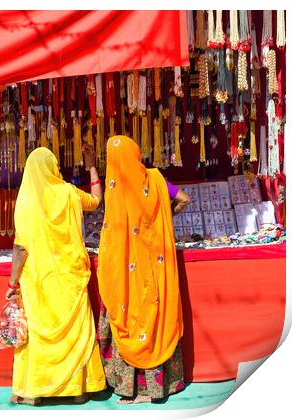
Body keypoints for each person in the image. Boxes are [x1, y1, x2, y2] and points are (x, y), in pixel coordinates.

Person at [6, 146, 106, 406]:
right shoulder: (68, 193)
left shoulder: (25, 201)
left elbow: (20, 247)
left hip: (39, 280)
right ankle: (77, 390)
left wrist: (12, 282)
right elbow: (96, 201)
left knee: (41, 333)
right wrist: (92, 165)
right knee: (75, 331)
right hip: (71, 276)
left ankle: (38, 390)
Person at [97, 135, 189, 404]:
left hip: (125, 272)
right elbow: (184, 199)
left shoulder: (115, 185)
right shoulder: (156, 180)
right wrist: (161, 219)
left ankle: (133, 390)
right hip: (155, 268)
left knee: (130, 317)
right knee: (154, 318)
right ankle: (157, 388)